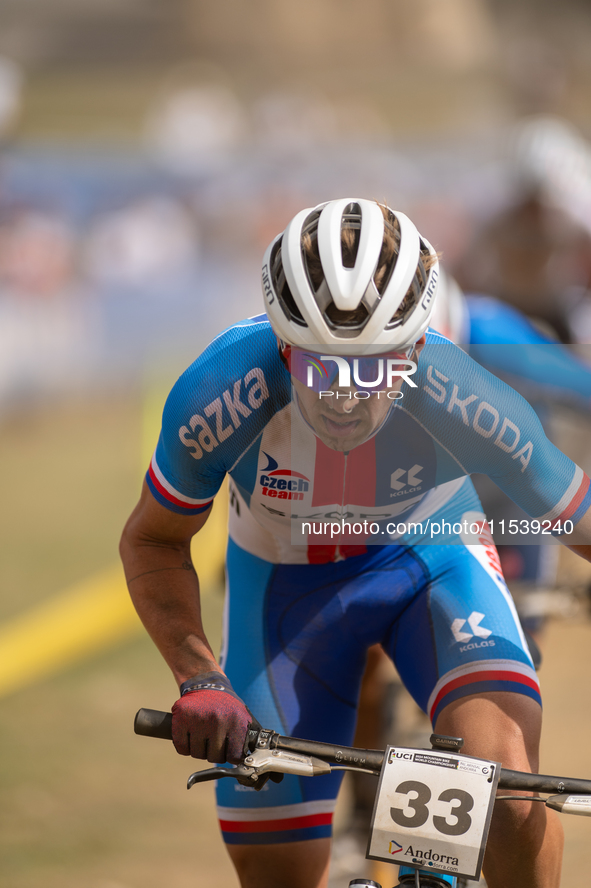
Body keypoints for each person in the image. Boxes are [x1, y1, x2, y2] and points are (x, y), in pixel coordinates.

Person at [120, 198, 591, 888]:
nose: (345, 393)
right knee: (277, 869)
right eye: (319, 366)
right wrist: (199, 677)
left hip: (432, 567)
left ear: (416, 347)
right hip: (285, 593)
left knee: (506, 788)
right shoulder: (221, 389)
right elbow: (154, 541)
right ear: (282, 344)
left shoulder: (461, 391)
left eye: (373, 368)